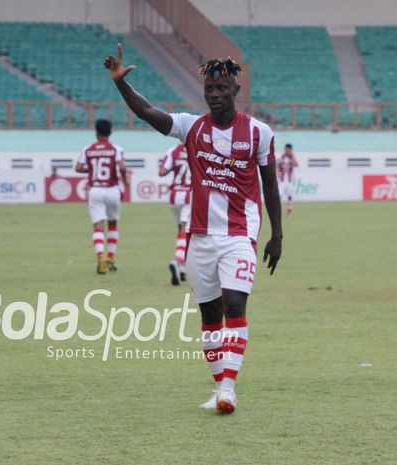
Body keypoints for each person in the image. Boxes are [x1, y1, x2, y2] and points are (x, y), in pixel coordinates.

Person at [105, 44, 282, 414]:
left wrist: (276, 235)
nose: (214, 95)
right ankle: (219, 386)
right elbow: (148, 112)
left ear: (236, 91)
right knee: (209, 316)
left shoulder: (259, 133)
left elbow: (270, 185)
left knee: (236, 304)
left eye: (221, 89)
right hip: (199, 238)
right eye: (209, 90)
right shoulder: (191, 127)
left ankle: (230, 388)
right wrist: (122, 85)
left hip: (239, 235)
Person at [75, 119, 128, 274]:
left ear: (96, 132)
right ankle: (111, 258)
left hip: (95, 190)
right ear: (110, 132)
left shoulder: (88, 149)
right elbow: (122, 167)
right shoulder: (116, 149)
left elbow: (78, 168)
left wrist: (91, 171)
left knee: (98, 226)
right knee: (113, 224)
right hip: (112, 190)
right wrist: (125, 179)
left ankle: (101, 257)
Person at [158, 143, 191, 285]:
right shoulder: (201, 146)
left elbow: (162, 172)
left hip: (175, 195)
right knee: (187, 231)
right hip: (191, 194)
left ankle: (183, 268)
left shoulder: (173, 151)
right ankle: (177, 261)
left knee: (181, 230)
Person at [277, 143, 298, 216]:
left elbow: (296, 164)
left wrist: (292, 158)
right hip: (282, 180)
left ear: (291, 150)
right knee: (279, 195)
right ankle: (277, 211)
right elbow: (277, 165)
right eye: (286, 149)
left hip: (290, 180)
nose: (287, 151)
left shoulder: (292, 157)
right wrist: (278, 173)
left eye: (288, 150)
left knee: (290, 195)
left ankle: (289, 212)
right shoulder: (281, 157)